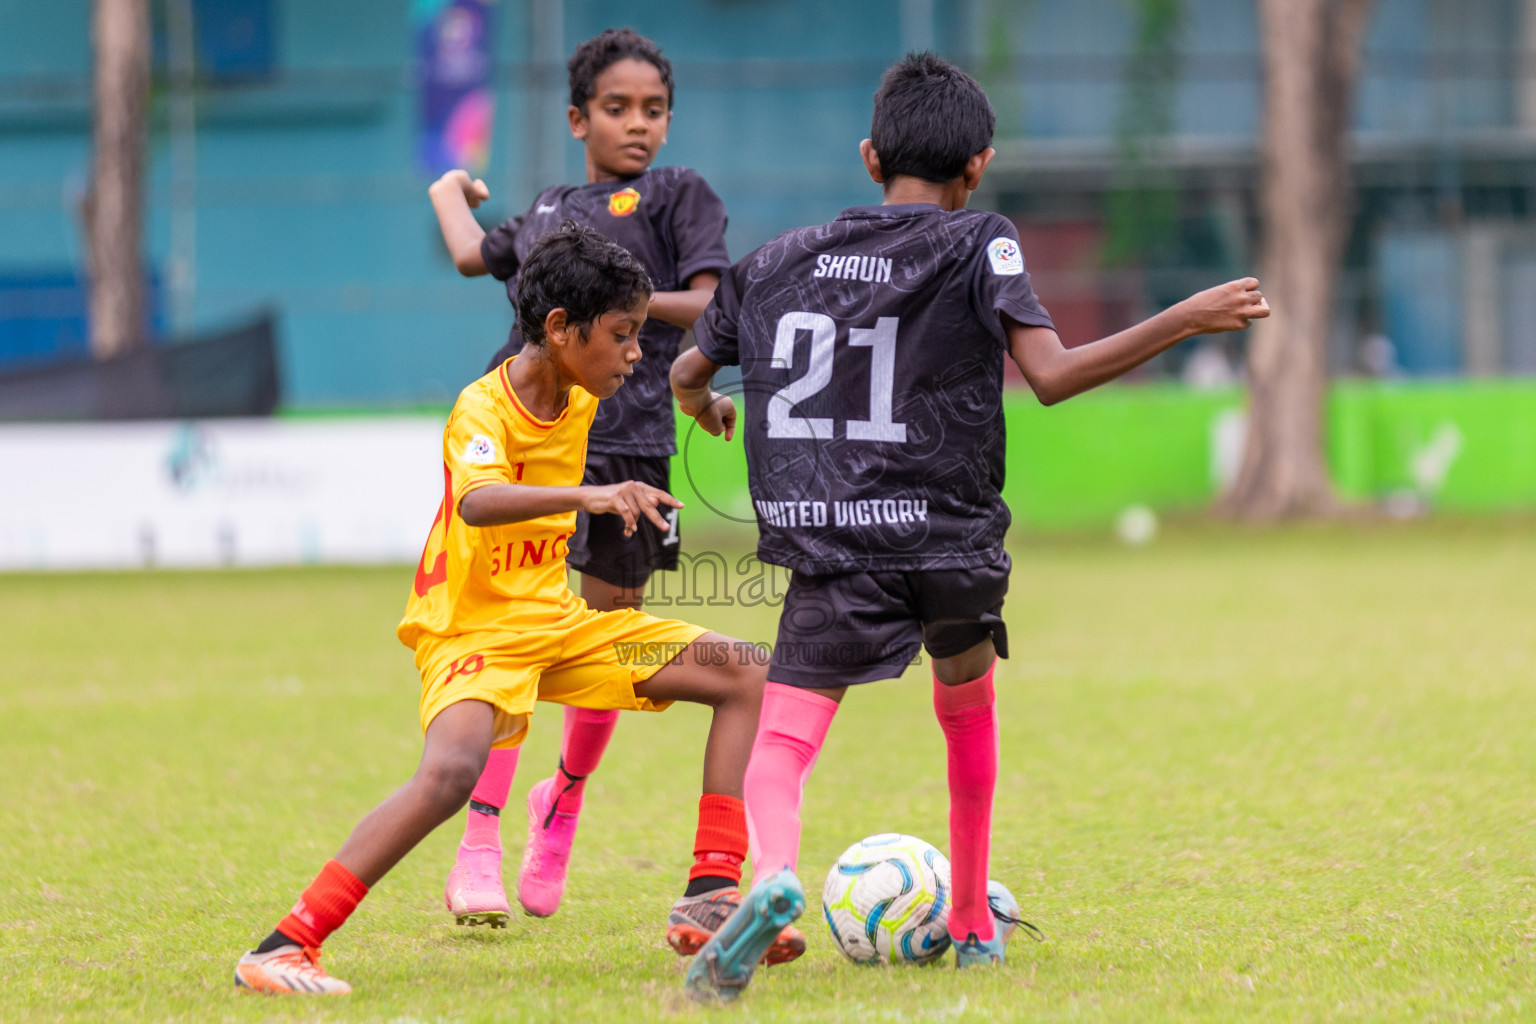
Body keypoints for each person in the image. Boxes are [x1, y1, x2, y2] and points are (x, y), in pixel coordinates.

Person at [671, 52, 1269, 999]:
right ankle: (973, 921)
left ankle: (775, 874)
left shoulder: (773, 260)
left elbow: (687, 372)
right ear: (978, 166)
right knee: (965, 707)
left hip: (836, 548)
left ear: (871, 156)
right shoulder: (978, 239)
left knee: (784, 742)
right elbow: (1054, 375)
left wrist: (704, 409)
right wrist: (1184, 318)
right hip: (949, 543)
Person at [233, 224, 778, 997]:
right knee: (451, 772)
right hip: (473, 633)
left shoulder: (581, 390)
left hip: (558, 627)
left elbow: (662, 385)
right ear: (560, 329)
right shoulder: (479, 409)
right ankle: (285, 944)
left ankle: (710, 894)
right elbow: (482, 501)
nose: (634, 353)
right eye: (623, 336)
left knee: (744, 672)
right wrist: (591, 493)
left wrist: (699, 403)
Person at [426, 28, 731, 926]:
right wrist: (448, 189)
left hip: (631, 446)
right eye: (616, 108)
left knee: (610, 635)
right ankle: (480, 836)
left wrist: (683, 377)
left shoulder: (679, 197)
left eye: (654, 110)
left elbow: (715, 304)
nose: (637, 125)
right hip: (535, 441)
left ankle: (561, 798)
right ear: (576, 118)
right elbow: (471, 254)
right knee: (516, 632)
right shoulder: (552, 208)